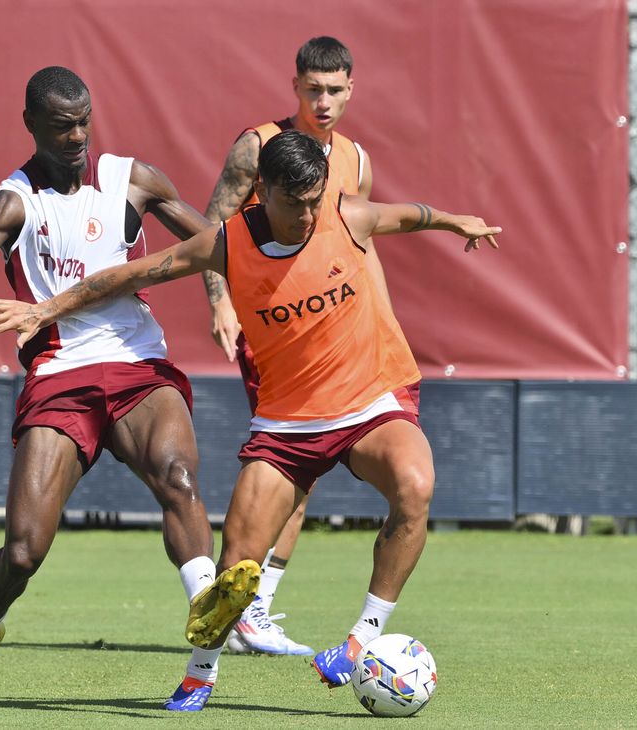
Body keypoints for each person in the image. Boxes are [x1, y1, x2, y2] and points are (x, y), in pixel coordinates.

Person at [0, 129, 501, 710]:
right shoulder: (225, 243)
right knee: (234, 570)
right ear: (263, 191)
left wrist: (455, 221)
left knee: (415, 487)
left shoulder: (345, 213)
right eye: (293, 202)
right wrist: (45, 308)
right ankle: (201, 672)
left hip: (371, 400)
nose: (306, 214)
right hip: (287, 428)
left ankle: (360, 641)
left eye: (314, 200)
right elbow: (130, 275)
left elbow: (408, 216)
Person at [0, 66, 259, 709]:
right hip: (60, 377)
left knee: (178, 477)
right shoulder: (14, 201)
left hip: (137, 364)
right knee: (22, 553)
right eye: (61, 125)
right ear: (31, 126)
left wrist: (263, 264)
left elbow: (214, 244)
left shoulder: (131, 179)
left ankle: (207, 613)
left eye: (84, 121)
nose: (77, 136)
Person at [201, 35, 390, 657]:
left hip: (338, 339)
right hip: (275, 330)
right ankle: (249, 609)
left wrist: (383, 321)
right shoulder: (259, 146)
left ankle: (251, 606)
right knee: (293, 468)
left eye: (336, 89)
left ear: (351, 89)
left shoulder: (356, 160)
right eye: (313, 89)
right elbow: (217, 224)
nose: (324, 101)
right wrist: (221, 303)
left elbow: (362, 246)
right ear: (295, 88)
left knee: (306, 475)